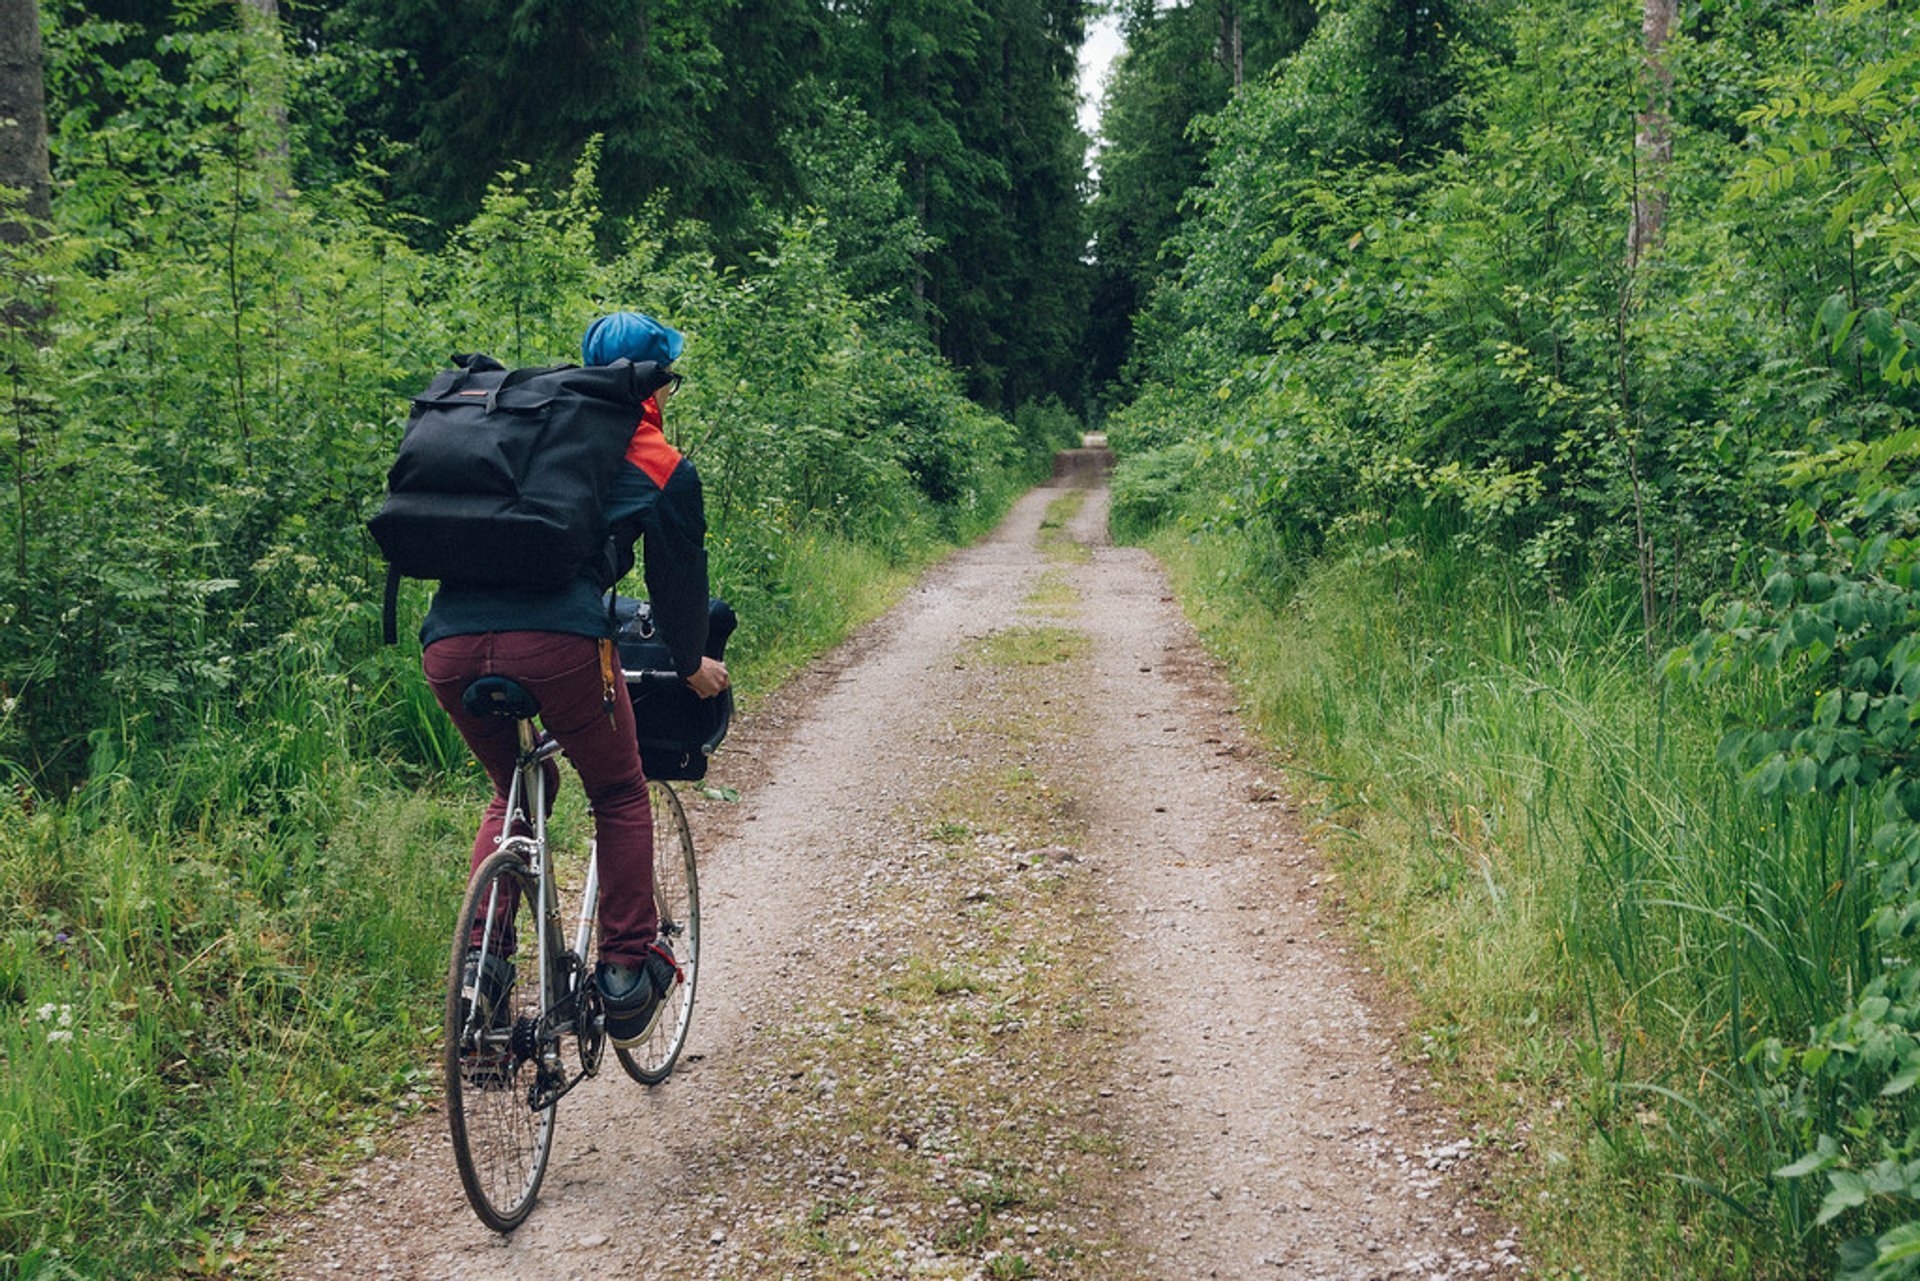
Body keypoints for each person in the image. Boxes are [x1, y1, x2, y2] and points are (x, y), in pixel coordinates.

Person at [421, 311, 728, 1046]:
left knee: (516, 787)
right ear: (658, 384)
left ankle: (479, 980)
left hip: (448, 646)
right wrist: (689, 663)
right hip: (558, 645)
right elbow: (679, 585)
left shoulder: (531, 425)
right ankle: (625, 973)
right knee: (619, 790)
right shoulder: (653, 455)